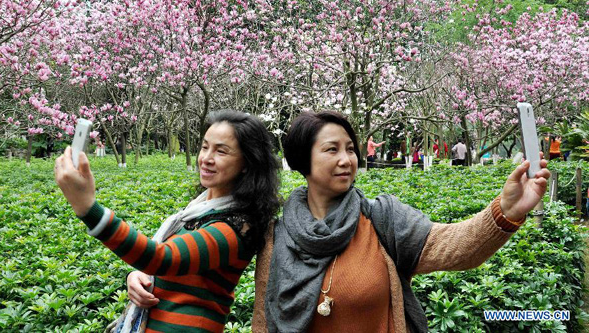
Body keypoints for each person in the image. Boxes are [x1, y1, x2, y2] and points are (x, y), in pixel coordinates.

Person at [251, 111, 550, 332]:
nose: (347, 159)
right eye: (332, 149)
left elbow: (454, 245)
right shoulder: (277, 236)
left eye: (351, 149)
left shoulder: (382, 218)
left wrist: (506, 210)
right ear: (303, 159)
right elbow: (263, 320)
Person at [55, 110, 280, 333]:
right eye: (204, 147)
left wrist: (88, 209)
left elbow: (163, 259)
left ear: (247, 163)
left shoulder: (236, 228)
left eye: (221, 151)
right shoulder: (197, 211)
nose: (206, 159)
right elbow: (163, 264)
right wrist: (138, 276)